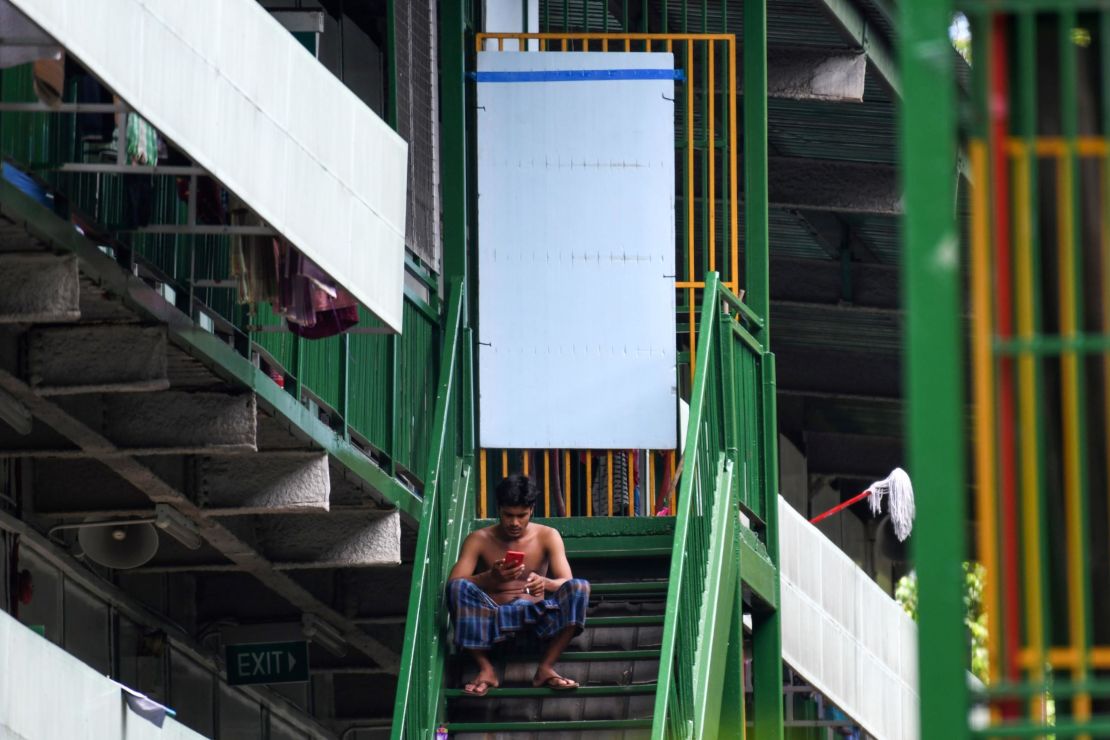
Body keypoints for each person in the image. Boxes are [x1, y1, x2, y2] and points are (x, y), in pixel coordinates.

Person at [445, 474, 591, 697]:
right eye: (508, 515)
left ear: (532, 509)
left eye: (521, 515)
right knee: (457, 588)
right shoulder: (479, 539)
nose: (514, 522)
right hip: (492, 624)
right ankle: (486, 669)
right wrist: (489, 577)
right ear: (499, 509)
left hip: (535, 621)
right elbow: (455, 583)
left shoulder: (548, 536)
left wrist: (546, 583)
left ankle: (545, 667)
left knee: (580, 587)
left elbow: (566, 582)